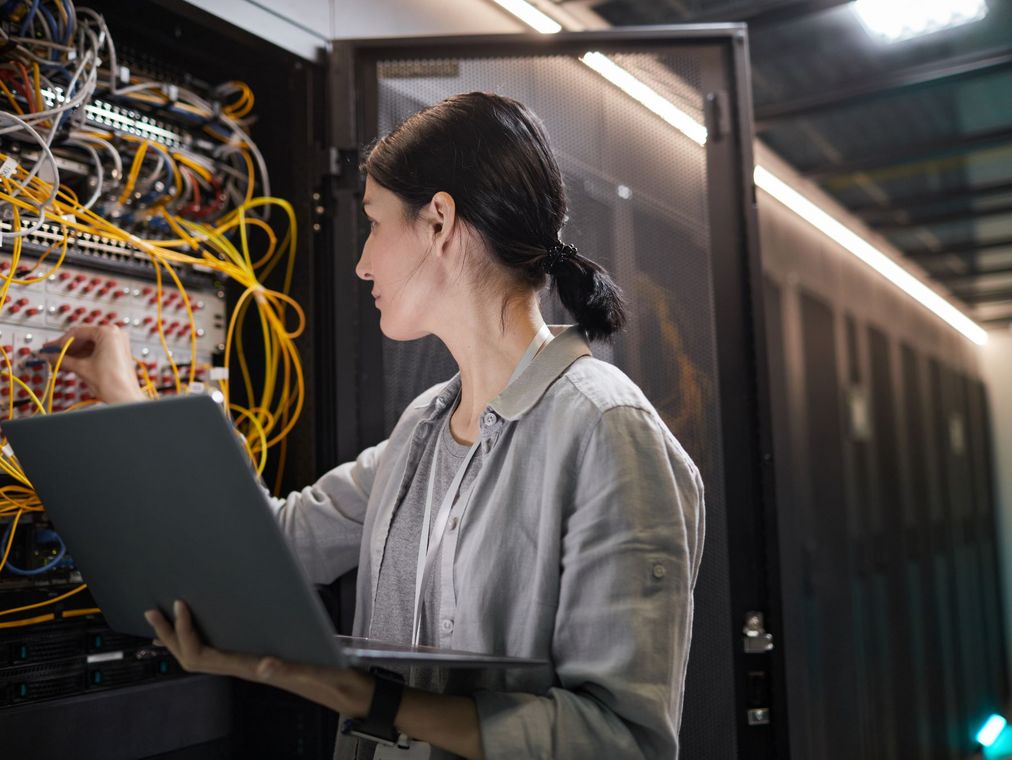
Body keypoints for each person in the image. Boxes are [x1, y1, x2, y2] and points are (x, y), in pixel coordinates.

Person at [47, 92, 705, 760]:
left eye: (373, 222)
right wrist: (132, 402)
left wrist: (366, 699)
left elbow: (623, 743)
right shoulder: (424, 428)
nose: (362, 263)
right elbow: (280, 543)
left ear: (438, 222)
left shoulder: (607, 432)